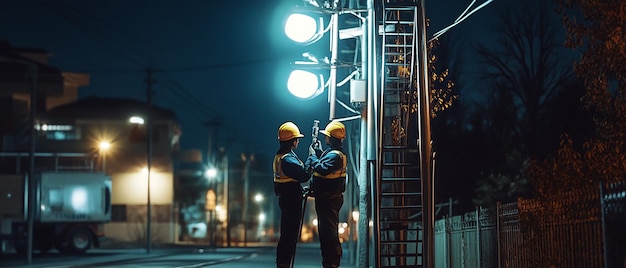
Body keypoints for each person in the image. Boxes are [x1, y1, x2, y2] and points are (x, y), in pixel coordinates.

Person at [306, 120, 347, 268]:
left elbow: (322, 169)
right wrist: (318, 152)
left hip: (328, 199)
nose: (325, 138)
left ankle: (331, 263)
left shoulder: (335, 155)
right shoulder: (333, 154)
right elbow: (324, 163)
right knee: (326, 232)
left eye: (327, 136)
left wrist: (312, 157)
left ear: (331, 137)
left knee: (328, 234)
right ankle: (330, 262)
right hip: (327, 198)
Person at [273, 121, 311, 268]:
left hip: (287, 197)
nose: (298, 142)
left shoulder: (282, 156)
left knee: (287, 234)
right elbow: (304, 176)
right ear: (293, 141)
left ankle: (283, 263)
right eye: (297, 139)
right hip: (291, 200)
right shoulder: (287, 159)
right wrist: (311, 159)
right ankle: (284, 263)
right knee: (289, 235)